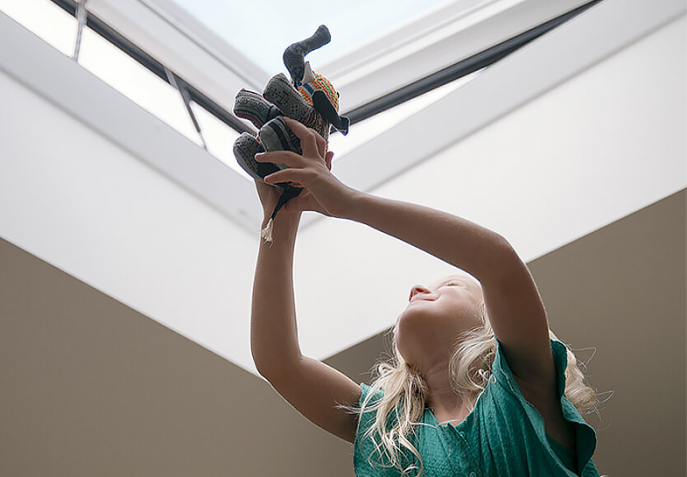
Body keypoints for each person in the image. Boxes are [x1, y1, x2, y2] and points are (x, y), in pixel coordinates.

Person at [251, 117, 603, 476]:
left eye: (448, 286)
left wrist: (348, 201)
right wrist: (279, 218)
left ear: (491, 324)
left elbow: (500, 266)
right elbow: (280, 363)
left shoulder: (523, 386)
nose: (416, 291)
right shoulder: (386, 428)